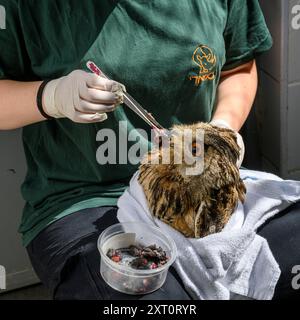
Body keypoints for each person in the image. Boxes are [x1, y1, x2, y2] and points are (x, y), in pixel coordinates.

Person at [0, 0, 298, 300]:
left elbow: (239, 65)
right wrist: (50, 97)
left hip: (201, 186)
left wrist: (223, 128)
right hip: (87, 198)